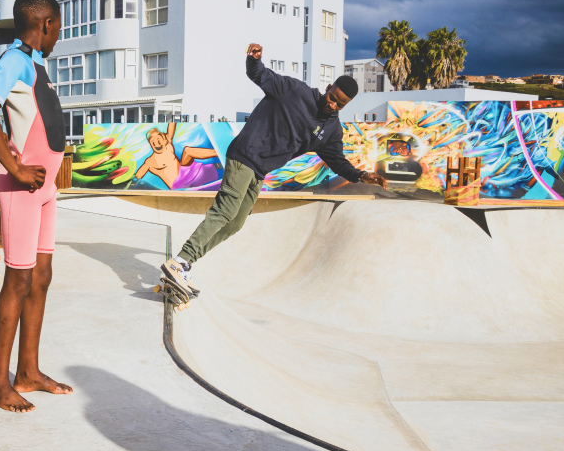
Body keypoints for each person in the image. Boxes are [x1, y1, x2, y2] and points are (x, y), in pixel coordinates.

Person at [161, 43, 387, 296]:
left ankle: (187, 262)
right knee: (225, 211)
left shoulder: (332, 130)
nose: (333, 105)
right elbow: (260, 75)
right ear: (328, 88)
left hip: (260, 170)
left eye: (340, 104)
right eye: (333, 97)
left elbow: (336, 160)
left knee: (236, 222)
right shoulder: (293, 90)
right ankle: (179, 261)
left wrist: (359, 175)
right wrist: (254, 60)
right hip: (244, 155)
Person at [0, 0, 74, 412]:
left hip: (44, 188)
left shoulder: (36, 64)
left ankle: (28, 372)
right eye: (59, 27)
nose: (59, 36)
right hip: (22, 188)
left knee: (42, 276)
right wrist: (14, 169)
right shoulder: (14, 60)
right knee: (18, 280)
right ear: (45, 24)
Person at [132, 121, 217, 189]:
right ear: (151, 145)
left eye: (158, 140)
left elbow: (172, 125)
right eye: (153, 142)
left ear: (164, 140)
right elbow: (137, 176)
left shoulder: (168, 145)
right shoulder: (150, 162)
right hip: (177, 184)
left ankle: (218, 153)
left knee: (188, 151)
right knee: (187, 152)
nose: (157, 144)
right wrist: (132, 181)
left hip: (185, 172)